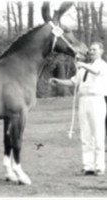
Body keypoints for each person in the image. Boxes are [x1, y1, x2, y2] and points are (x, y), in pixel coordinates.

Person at [49, 42, 107, 176]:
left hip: (96, 100)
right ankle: (88, 166)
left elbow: (96, 72)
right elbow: (74, 82)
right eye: (91, 50)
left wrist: (81, 64)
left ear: (101, 51)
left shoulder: (102, 65)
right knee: (85, 135)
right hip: (83, 101)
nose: (92, 52)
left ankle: (99, 166)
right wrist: (58, 81)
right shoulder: (83, 68)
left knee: (97, 134)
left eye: (95, 49)